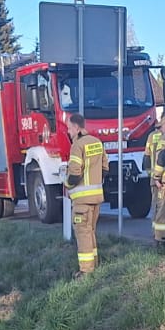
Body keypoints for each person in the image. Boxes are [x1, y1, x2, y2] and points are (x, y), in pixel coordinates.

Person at [64, 112, 107, 276]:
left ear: (76, 128)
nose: (68, 132)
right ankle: (95, 265)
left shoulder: (77, 146)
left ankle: (86, 271)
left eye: (69, 128)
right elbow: (105, 169)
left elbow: (74, 174)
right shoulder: (97, 142)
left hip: (82, 200)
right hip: (96, 198)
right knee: (90, 232)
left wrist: (67, 185)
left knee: (82, 234)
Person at [145, 116, 165, 241]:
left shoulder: (151, 136)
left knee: (158, 207)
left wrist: (151, 175)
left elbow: (146, 157)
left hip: (156, 178)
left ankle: (157, 234)